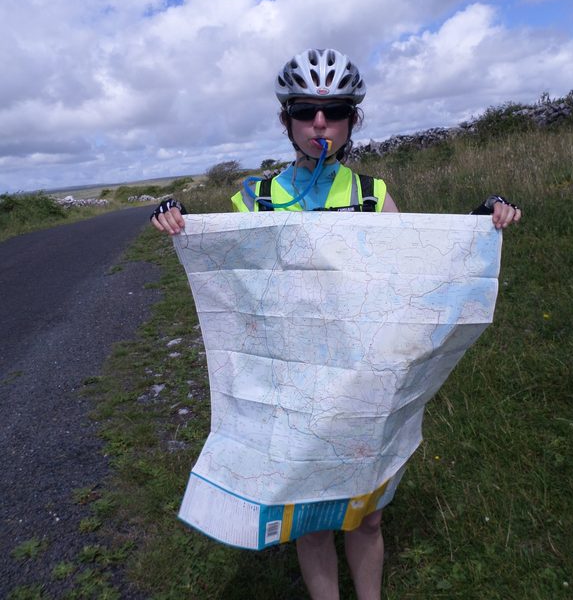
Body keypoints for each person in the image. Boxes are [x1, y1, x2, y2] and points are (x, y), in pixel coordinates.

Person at [151, 48, 521, 600]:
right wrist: (175, 216)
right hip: (295, 383)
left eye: (336, 109)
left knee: (367, 517)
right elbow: (228, 271)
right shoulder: (255, 197)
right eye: (305, 109)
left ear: (353, 119)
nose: (319, 122)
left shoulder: (372, 196)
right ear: (287, 120)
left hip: (362, 380)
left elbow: (414, 272)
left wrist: (479, 223)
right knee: (314, 519)